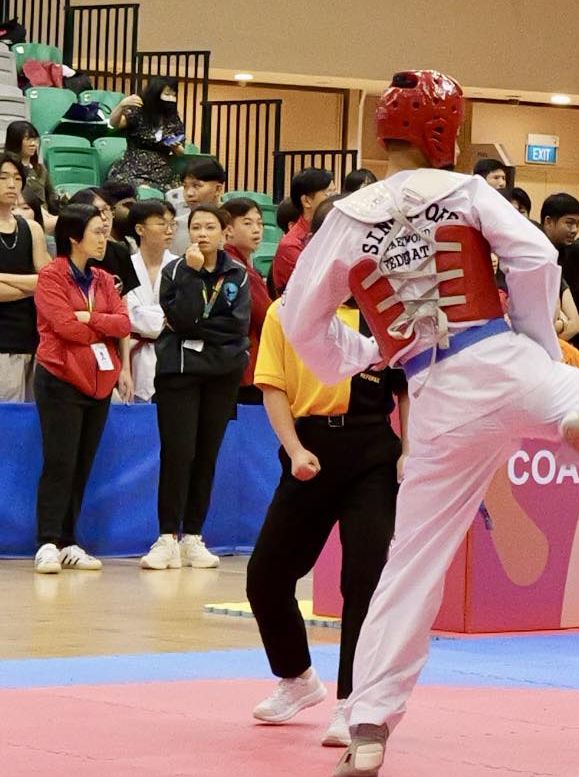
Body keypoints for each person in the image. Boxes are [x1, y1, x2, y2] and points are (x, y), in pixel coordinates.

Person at [276, 69, 579, 777]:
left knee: (411, 563)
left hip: (431, 390)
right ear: (444, 132)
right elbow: (538, 256)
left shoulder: (348, 216)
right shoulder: (469, 191)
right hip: (496, 351)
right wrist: (539, 343)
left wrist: (357, 353)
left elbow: (298, 319)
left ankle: (367, 725)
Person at [247, 199, 408, 749]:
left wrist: (408, 448)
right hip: (308, 451)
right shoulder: (286, 309)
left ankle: (354, 702)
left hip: (370, 453)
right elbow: (271, 385)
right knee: (266, 575)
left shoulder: (379, 308)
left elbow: (406, 385)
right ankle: (296, 678)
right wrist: (293, 448)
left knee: (362, 581)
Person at [141, 204, 250, 571]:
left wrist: (196, 329)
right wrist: (192, 273)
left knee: (206, 454)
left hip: (221, 375)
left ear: (224, 233)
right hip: (179, 373)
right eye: (196, 227)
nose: (202, 234)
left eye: (210, 227)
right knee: (178, 453)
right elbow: (181, 317)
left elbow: (236, 327)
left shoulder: (237, 273)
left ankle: (194, 537)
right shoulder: (175, 270)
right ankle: (167, 536)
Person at [31, 203, 131, 574]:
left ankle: (69, 541)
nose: (104, 239)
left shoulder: (104, 279)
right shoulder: (52, 277)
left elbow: (123, 323)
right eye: (97, 233)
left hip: (99, 383)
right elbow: (62, 326)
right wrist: (98, 326)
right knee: (60, 462)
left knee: (82, 464)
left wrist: (90, 318)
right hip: (60, 378)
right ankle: (46, 541)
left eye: (105, 232)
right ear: (74, 237)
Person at [0, 151, 50, 401]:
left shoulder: (32, 229)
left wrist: (3, 277)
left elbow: (52, 282)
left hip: (35, 343)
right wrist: (34, 285)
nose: (12, 184)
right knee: (0, 428)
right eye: (3, 177)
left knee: (32, 427)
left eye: (16, 178)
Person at [124, 200, 178, 402]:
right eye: (162, 223)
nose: (170, 230)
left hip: (172, 357)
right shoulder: (124, 266)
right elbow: (127, 316)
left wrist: (143, 315)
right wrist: (162, 316)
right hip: (132, 358)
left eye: (172, 223)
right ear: (140, 229)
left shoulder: (180, 267)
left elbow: (181, 316)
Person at [222, 197, 271, 404]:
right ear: (228, 230)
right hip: (245, 369)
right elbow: (268, 318)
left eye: (259, 223)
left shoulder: (232, 264)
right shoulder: (240, 272)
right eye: (247, 223)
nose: (256, 230)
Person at [107, 77, 187, 191]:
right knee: (141, 189)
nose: (171, 98)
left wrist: (176, 147)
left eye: (173, 95)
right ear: (155, 94)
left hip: (163, 172)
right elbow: (114, 123)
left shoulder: (173, 119)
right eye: (167, 94)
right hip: (133, 168)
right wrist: (121, 106)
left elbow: (181, 152)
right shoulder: (139, 112)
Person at [272, 168, 335, 295]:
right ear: (306, 201)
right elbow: (312, 288)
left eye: (336, 192)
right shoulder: (291, 245)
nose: (335, 200)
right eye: (328, 194)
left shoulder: (333, 230)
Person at [4, 120, 56, 222]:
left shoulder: (40, 169)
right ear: (15, 141)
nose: (33, 144)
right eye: (27, 139)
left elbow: (51, 196)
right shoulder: (6, 169)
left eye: (35, 139)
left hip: (44, 218)